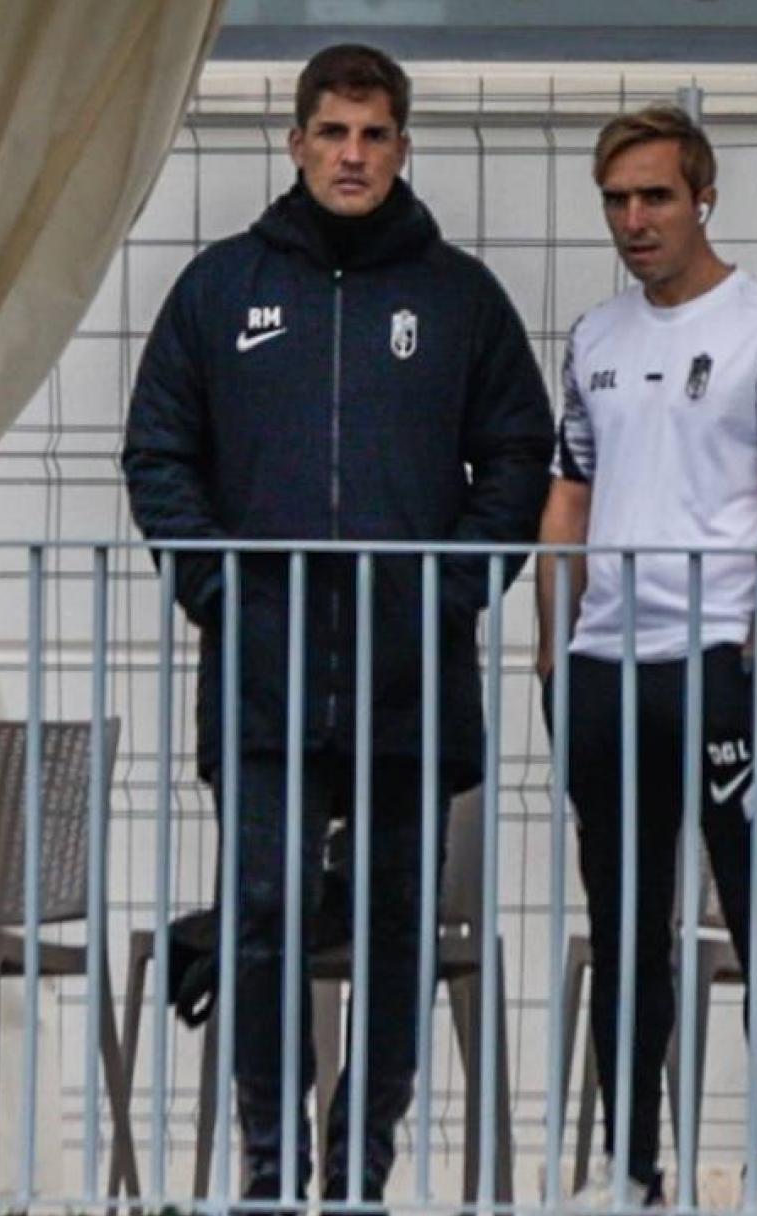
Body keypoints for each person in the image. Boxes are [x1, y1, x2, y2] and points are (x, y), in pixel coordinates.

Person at [122, 44, 553, 1207]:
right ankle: (271, 1167)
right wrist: (218, 586)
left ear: (402, 146)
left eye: (373, 135)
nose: (352, 155)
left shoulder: (460, 298)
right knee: (262, 914)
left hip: (412, 678)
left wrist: (448, 588)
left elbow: (520, 454)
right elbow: (160, 452)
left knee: (398, 926)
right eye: (332, 132)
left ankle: (361, 1163)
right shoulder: (220, 289)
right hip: (262, 677)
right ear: (296, 142)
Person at [536, 103, 757, 1209]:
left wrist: (754, 660)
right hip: (605, 671)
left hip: (719, 666)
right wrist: (554, 659)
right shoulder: (593, 337)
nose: (635, 219)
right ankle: (632, 1174)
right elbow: (567, 502)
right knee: (626, 929)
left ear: (702, 197)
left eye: (656, 196)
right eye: (616, 200)